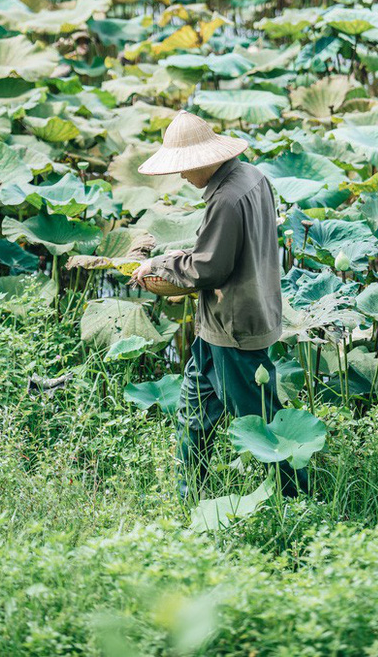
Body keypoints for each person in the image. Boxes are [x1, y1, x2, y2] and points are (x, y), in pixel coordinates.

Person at [130, 109, 305, 501]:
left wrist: (159, 264)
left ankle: (295, 502)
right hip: (220, 325)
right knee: (192, 415)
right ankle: (191, 501)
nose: (181, 176)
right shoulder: (253, 176)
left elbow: (209, 268)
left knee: (261, 429)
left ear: (206, 160)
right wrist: (180, 255)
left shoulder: (225, 199)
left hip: (236, 328)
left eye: (185, 167)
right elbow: (224, 251)